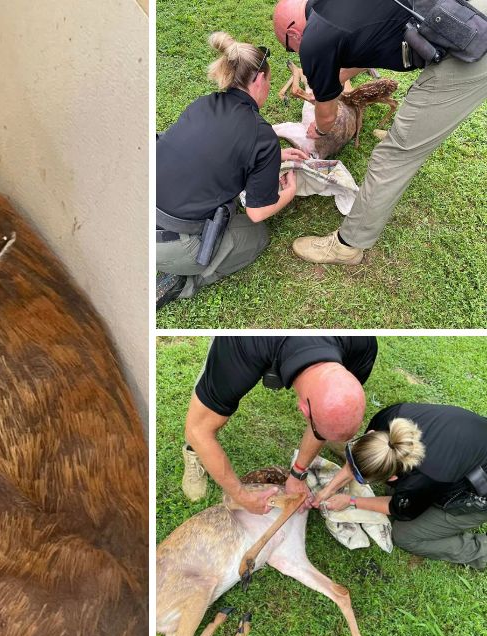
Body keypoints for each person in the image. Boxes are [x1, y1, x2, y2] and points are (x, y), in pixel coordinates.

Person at [274, 0, 487, 265]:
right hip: (462, 11)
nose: (296, 53)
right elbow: (368, 45)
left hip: (473, 42)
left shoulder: (315, 42)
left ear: (293, 34)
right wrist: (331, 79)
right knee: (414, 106)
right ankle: (410, 131)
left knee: (392, 158)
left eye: (289, 47)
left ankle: (348, 246)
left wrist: (318, 128)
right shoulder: (336, 9)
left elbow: (327, 119)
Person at [156, 33, 308, 308]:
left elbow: (214, 152)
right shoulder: (261, 135)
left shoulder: (202, 104)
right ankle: (183, 281)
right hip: (172, 241)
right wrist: (291, 192)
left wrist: (274, 157)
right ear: (259, 79)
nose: (269, 88)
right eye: (270, 82)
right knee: (255, 236)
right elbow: (258, 212)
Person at [182, 335, 377, 514]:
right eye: (323, 434)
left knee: (329, 421)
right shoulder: (240, 346)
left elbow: (340, 400)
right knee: (204, 415)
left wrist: (298, 473)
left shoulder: (362, 344)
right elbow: (197, 429)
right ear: (303, 411)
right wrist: (241, 496)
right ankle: (193, 452)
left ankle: (332, 431)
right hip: (252, 347)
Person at [311, 402, 487, 567]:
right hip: (472, 443)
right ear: (371, 434)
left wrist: (351, 501)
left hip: (479, 491)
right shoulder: (388, 419)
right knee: (399, 495)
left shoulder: (425, 477)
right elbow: (358, 461)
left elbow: (398, 509)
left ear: (394, 476)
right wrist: (328, 489)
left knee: (405, 535)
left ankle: (482, 551)